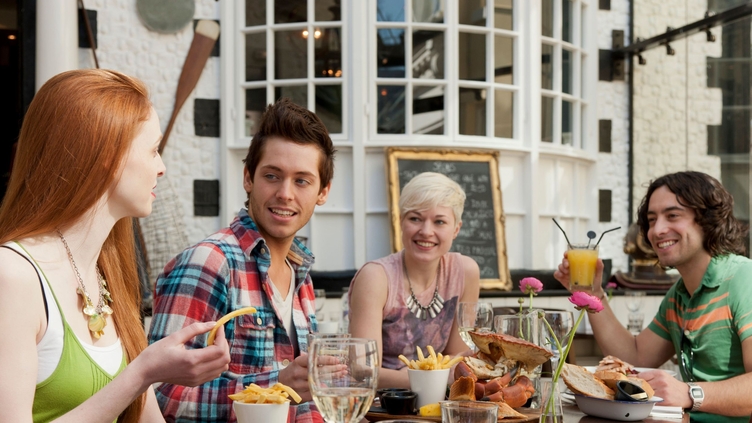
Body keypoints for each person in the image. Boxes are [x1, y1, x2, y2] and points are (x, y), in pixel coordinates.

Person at [0, 69, 231, 423]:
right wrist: (140, 374)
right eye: (153, 151)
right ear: (107, 154)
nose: (162, 167)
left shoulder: (105, 271)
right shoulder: (13, 276)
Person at [148, 98, 334, 422]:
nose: (285, 193)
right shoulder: (209, 263)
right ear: (248, 178)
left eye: (301, 180)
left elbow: (304, 405)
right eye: (272, 176)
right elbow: (160, 396)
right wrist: (275, 387)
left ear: (323, 192)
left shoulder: (301, 276)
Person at [554, 171, 752, 422]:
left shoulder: (743, 279)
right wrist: (593, 295)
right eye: (651, 219)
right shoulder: (679, 295)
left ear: (706, 220)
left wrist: (690, 394)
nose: (657, 230)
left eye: (673, 216)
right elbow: (634, 357)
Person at [348, 172, 480, 389]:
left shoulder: (465, 272)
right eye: (415, 218)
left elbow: (455, 358)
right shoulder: (376, 277)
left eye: (439, 221)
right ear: (401, 221)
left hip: (439, 404)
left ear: (456, 229)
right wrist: (438, 378)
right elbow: (363, 372)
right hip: (380, 408)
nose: (426, 231)